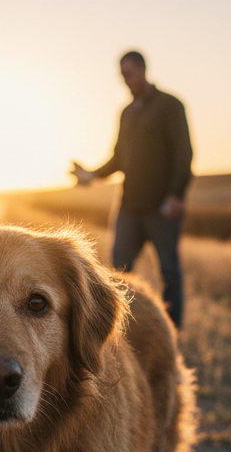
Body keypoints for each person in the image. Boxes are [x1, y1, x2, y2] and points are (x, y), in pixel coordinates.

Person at [72, 50, 193, 328]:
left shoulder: (169, 105)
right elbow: (118, 158)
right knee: (117, 274)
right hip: (129, 207)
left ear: (142, 69)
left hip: (161, 208)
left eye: (129, 73)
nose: (125, 80)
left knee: (169, 273)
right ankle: (120, 332)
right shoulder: (126, 113)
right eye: (121, 74)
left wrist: (176, 195)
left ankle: (171, 333)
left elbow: (183, 153)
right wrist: (90, 175)